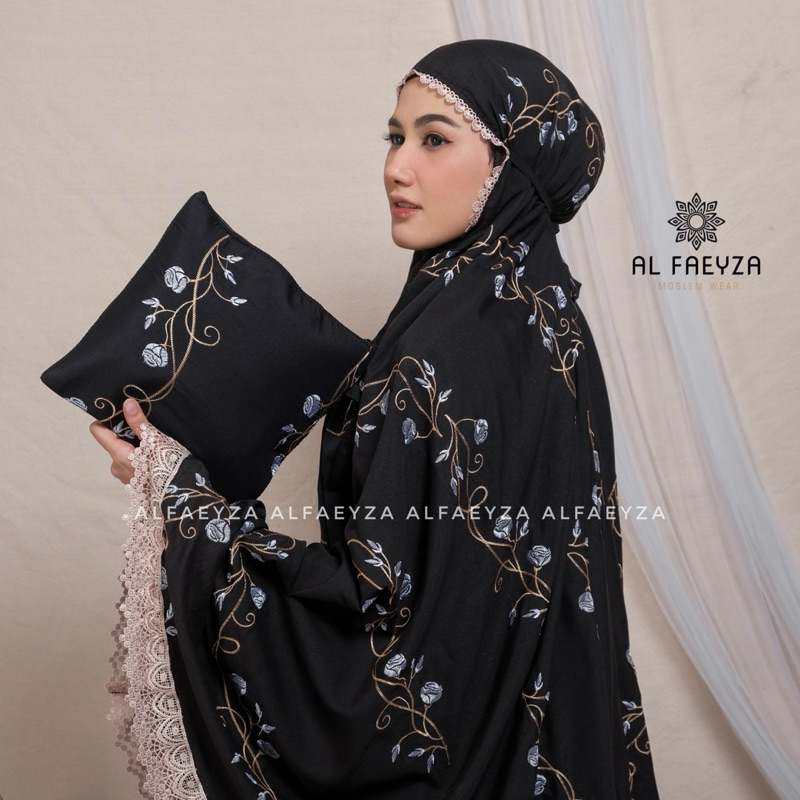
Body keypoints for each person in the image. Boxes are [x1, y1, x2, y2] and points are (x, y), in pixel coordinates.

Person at [92, 39, 660, 799]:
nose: (397, 167)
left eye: (435, 139)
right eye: (395, 137)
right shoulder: (551, 321)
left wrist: (174, 490)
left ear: (511, 166)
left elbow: (386, 625)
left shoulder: (433, 355)